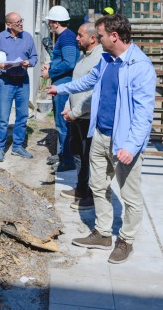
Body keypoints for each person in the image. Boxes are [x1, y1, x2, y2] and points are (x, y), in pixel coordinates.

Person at [46, 14, 155, 264]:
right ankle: (103, 233)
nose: (99, 39)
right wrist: (60, 88)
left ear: (114, 36)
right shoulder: (106, 59)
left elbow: (143, 114)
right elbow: (89, 80)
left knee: (130, 196)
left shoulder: (140, 67)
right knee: (97, 186)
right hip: (100, 135)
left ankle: (125, 240)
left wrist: (132, 145)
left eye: (102, 35)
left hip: (123, 143)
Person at [0, 12, 38, 162]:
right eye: (17, 22)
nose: (21, 24)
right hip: (6, 82)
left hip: (23, 81)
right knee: (3, 117)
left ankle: (18, 146)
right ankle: (0, 148)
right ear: (9, 25)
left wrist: (29, 62)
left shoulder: (27, 37)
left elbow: (34, 57)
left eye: (21, 21)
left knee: (22, 116)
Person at [60, 23, 103, 210]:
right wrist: (67, 105)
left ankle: (92, 196)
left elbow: (92, 92)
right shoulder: (83, 55)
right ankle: (81, 188)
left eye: (80, 35)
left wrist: (74, 111)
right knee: (77, 153)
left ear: (92, 38)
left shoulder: (99, 58)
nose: (76, 38)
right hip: (75, 116)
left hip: (87, 118)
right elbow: (75, 83)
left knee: (90, 158)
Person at [41, 6, 79, 173]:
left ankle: (68, 159)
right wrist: (50, 65)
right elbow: (62, 60)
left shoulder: (67, 39)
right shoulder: (64, 37)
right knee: (61, 123)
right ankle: (64, 154)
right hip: (60, 82)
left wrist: (50, 71)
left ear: (55, 23)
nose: (49, 24)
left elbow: (70, 62)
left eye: (50, 21)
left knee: (63, 123)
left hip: (63, 84)